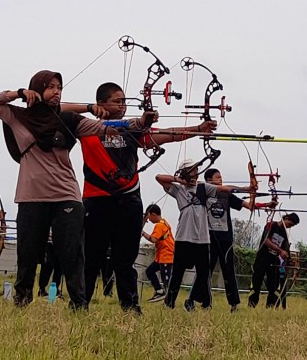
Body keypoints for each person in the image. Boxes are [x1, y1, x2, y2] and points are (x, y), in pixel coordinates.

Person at [0, 70, 144, 310]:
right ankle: (22, 302)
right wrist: (18, 93)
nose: (57, 92)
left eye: (60, 87)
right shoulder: (18, 116)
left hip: (66, 195)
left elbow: (107, 128)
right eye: (51, 87)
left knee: (72, 255)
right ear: (37, 89)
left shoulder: (69, 120)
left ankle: (79, 306)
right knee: (27, 254)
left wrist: (141, 122)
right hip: (31, 195)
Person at [63, 82, 215, 314]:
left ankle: (131, 306)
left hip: (129, 202)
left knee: (125, 259)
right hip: (98, 200)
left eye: (125, 101)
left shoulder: (132, 129)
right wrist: (90, 108)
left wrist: (198, 128)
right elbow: (59, 111)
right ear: (102, 103)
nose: (123, 106)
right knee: (92, 258)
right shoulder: (86, 127)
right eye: (118, 101)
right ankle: (80, 304)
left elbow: (166, 135)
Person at [155, 160, 254, 311]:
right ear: (185, 172)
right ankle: (169, 304)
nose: (196, 173)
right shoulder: (179, 190)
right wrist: (180, 180)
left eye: (196, 170)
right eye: (192, 171)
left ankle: (206, 305)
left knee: (203, 274)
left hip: (202, 239)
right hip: (183, 237)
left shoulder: (203, 187)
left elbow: (224, 189)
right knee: (177, 273)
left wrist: (247, 189)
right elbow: (158, 177)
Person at [188, 168, 276, 312]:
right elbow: (215, 187)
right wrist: (247, 188)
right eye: (217, 177)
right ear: (209, 180)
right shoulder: (203, 190)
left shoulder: (227, 195)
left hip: (226, 238)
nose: (220, 179)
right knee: (205, 271)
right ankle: (198, 301)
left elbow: (249, 206)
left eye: (221, 177)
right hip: (208, 237)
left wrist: (263, 202)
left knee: (228, 270)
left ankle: (233, 304)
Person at [247, 213, 300, 309]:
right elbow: (266, 241)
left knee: (274, 286)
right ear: (286, 218)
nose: (289, 227)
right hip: (262, 258)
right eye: (290, 224)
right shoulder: (271, 225)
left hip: (274, 261)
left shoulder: (284, 234)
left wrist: (287, 258)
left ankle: (271, 307)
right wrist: (280, 251)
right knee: (256, 283)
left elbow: (285, 249)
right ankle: (252, 305)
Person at [141, 204, 174, 303]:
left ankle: (169, 301)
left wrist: (142, 232)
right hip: (161, 256)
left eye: (149, 217)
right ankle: (159, 291)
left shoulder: (160, 225)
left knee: (166, 280)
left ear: (153, 214)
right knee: (150, 271)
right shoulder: (164, 223)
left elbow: (153, 239)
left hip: (166, 255)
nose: (149, 220)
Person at [38, 231, 62, 298]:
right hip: (49, 242)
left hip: (60, 242)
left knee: (59, 267)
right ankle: (42, 288)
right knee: (47, 265)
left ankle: (55, 288)